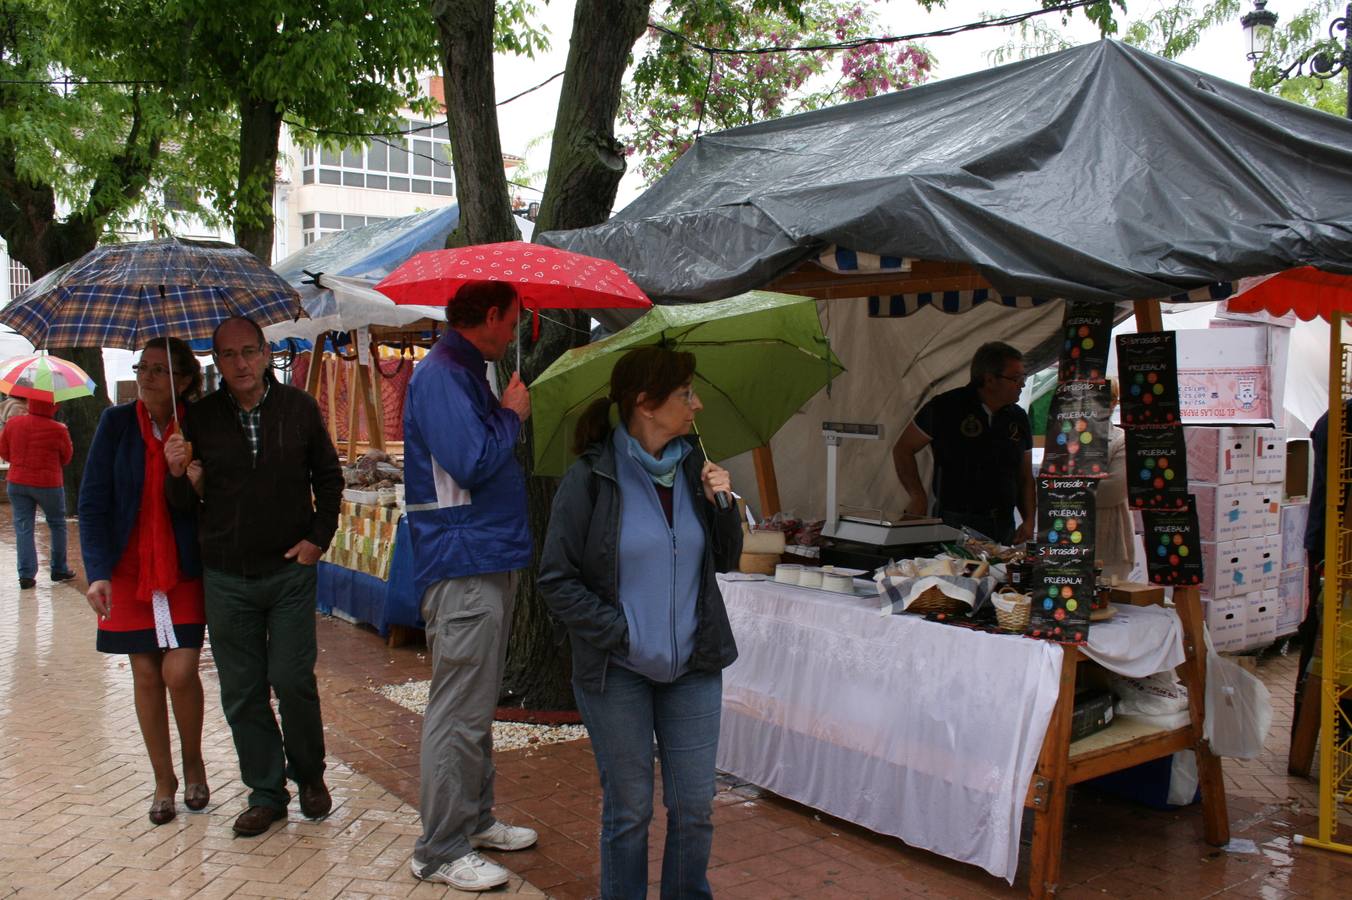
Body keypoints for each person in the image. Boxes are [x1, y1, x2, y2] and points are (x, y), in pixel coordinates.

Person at [539, 346, 742, 900]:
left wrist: (722, 503)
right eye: (685, 395)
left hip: (695, 664)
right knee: (628, 811)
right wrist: (622, 633)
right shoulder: (590, 478)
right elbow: (555, 580)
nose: (696, 404)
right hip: (617, 670)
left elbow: (726, 560)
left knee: (695, 807)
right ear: (646, 405)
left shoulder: (697, 471)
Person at [164, 317, 343, 838]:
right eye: (227, 355)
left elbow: (328, 479)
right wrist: (177, 472)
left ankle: (309, 775)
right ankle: (266, 791)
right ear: (215, 362)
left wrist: (318, 539)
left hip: (289, 570)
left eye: (248, 352)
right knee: (242, 691)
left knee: (291, 679)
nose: (240, 363)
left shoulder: (299, 409)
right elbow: (182, 505)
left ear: (266, 354)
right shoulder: (198, 419)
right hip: (226, 575)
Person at [403, 281, 537, 892]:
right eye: (512, 321)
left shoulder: (464, 371)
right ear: (489, 316)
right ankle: (440, 848)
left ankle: (473, 821)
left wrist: (501, 410)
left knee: (474, 701)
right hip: (463, 560)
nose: (514, 332)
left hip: (481, 556)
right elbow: (475, 461)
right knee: (459, 708)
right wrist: (510, 414)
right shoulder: (443, 374)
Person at [79, 337, 209, 825]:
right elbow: (92, 504)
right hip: (130, 570)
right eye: (145, 367)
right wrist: (97, 573)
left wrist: (193, 479)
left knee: (179, 670)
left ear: (186, 380)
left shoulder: (199, 424)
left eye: (162, 370)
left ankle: (194, 761)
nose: (150, 377)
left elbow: (217, 497)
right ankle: (164, 780)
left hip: (183, 569)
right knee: (146, 674)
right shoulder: (115, 424)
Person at [892, 341, 1035, 545]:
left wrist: (1029, 520)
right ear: (989, 379)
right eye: (1016, 378)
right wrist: (917, 496)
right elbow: (903, 449)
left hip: (1002, 524)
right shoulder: (945, 407)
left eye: (1024, 377)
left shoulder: (1018, 418)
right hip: (954, 521)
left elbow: (1025, 477)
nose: (1022, 384)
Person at [0, 394, 75, 588]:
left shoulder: (14, 423)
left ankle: (26, 575)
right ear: (53, 406)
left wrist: (18, 461)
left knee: (23, 527)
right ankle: (59, 569)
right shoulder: (58, 429)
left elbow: (4, 450)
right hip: (48, 484)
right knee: (57, 524)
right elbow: (66, 458)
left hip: (17, 481)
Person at [1095, 379, 1136, 582]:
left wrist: (1070, 487)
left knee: (1109, 602)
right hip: (1069, 542)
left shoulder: (1121, 440)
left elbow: (1111, 491)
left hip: (1110, 543)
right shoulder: (1066, 437)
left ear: (1114, 402)